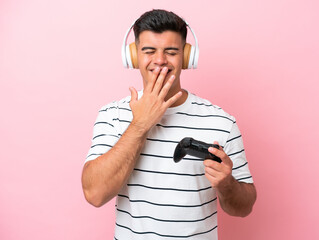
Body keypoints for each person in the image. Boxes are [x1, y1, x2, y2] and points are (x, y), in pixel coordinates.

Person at [81, 9, 256, 240]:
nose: (160, 60)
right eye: (149, 51)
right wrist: (140, 124)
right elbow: (94, 194)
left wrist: (226, 184)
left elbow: (244, 207)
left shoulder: (221, 121)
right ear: (133, 57)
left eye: (171, 52)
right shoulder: (111, 115)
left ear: (186, 57)